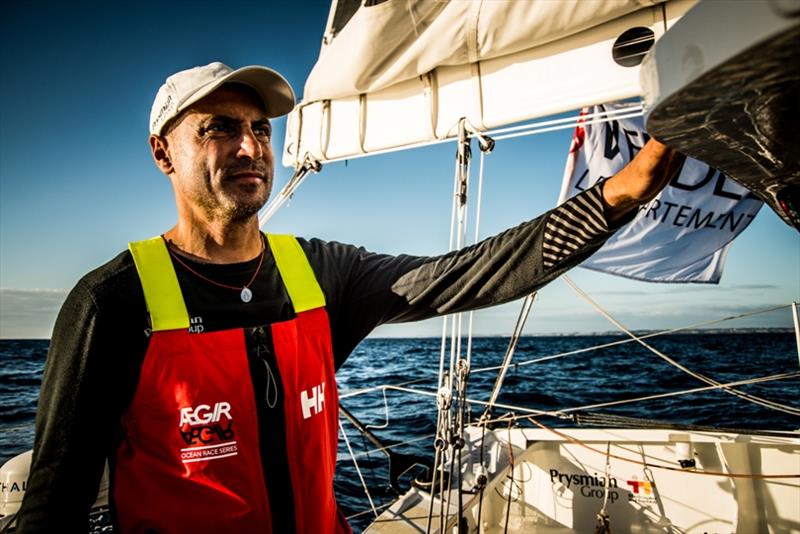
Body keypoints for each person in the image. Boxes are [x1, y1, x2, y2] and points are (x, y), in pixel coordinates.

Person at [16, 61, 684, 533]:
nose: (250, 146)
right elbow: (56, 500)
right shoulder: (114, 301)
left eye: (262, 129)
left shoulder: (321, 273)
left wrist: (621, 193)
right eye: (219, 127)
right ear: (164, 154)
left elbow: (473, 271)